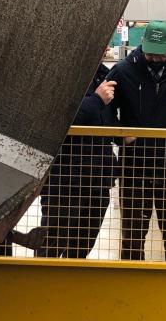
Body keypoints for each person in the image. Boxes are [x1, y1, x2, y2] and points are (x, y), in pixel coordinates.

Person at [106, 20, 166, 261]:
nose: (154, 57)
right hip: (134, 169)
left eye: (159, 52)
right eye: (149, 51)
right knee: (132, 237)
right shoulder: (123, 71)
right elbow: (104, 109)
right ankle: (130, 288)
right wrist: (120, 135)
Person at [37, 63, 118, 258]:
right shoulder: (56, 75)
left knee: (81, 249)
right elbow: (55, 117)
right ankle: (42, 287)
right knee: (52, 246)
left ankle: (69, 288)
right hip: (64, 181)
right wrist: (97, 100)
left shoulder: (104, 76)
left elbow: (107, 120)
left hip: (98, 181)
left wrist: (122, 133)